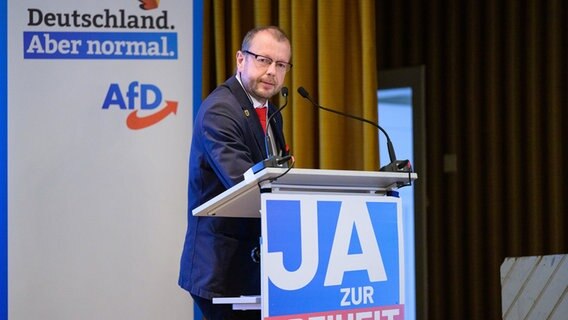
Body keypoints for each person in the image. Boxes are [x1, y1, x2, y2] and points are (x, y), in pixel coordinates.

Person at [178, 26, 292, 320]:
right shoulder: (221, 110)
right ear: (241, 60)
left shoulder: (269, 113)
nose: (272, 72)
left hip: (255, 266)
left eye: (281, 65)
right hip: (224, 267)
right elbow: (242, 181)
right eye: (263, 60)